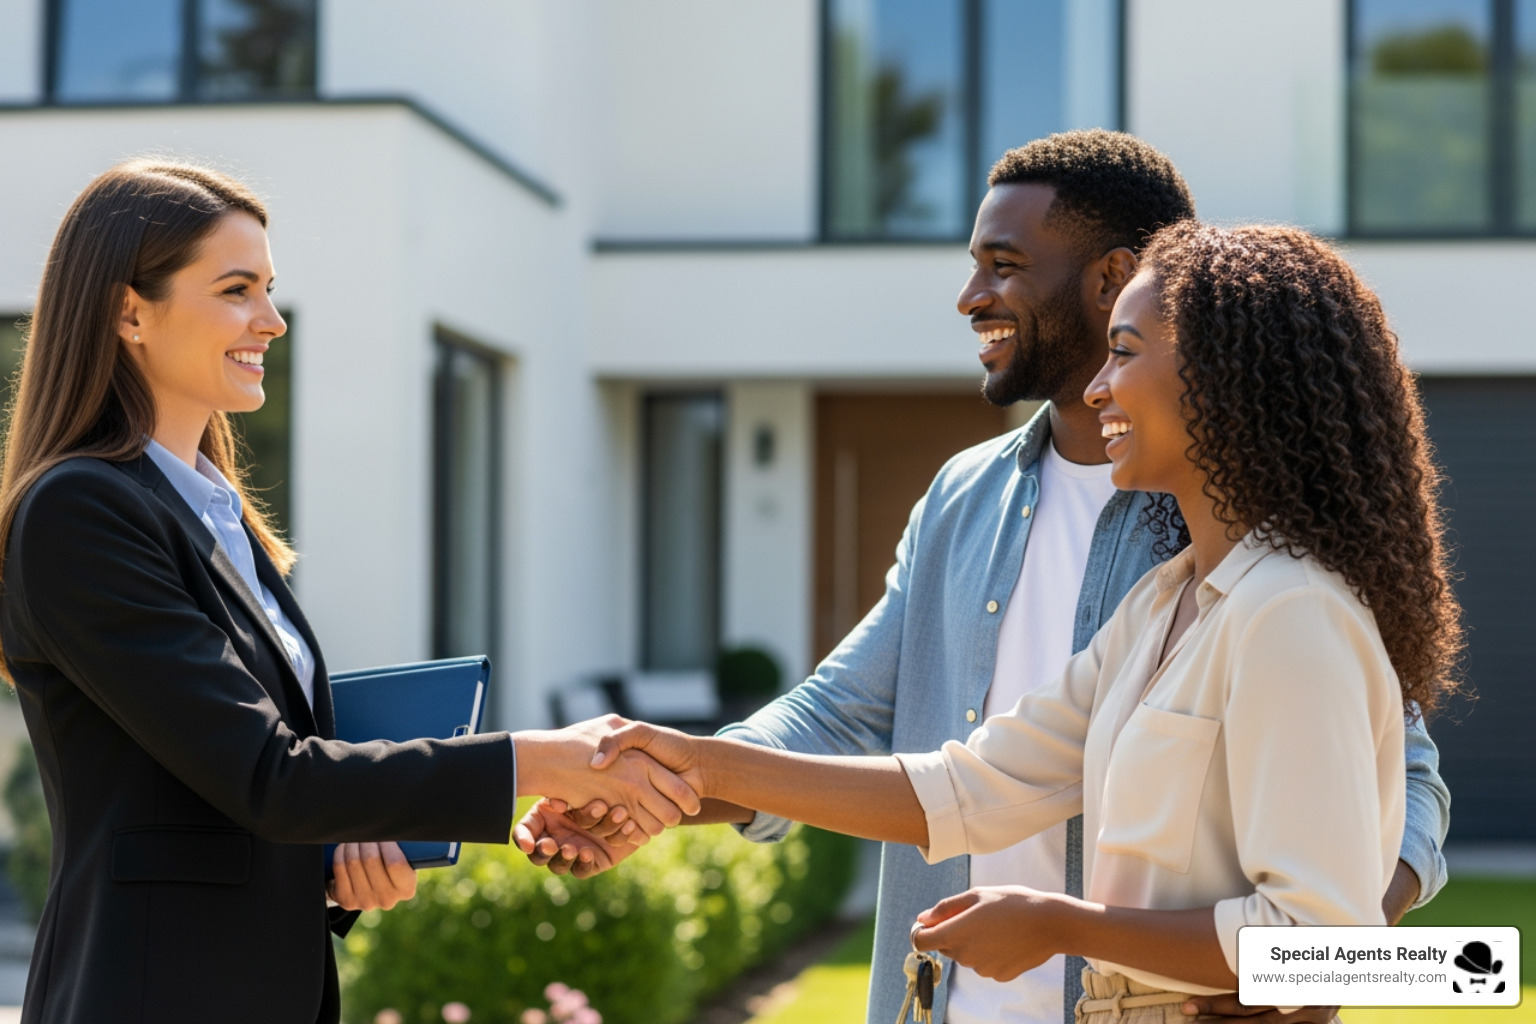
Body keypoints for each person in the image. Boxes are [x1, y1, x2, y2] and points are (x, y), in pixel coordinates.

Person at [517, 132, 1451, 1024]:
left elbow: (1392, 791)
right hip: (955, 992)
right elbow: (951, 775)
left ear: (1112, 281)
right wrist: (675, 779)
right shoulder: (1125, 587)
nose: (971, 297)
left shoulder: (1271, 585)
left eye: (1003, 265)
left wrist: (1312, 962)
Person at [0, 160, 699, 1024]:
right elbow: (269, 776)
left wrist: (338, 869)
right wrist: (538, 758)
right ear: (127, 311)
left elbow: (235, 801)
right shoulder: (81, 512)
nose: (271, 319)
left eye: (270, 288)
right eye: (235, 289)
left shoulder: (219, 517)